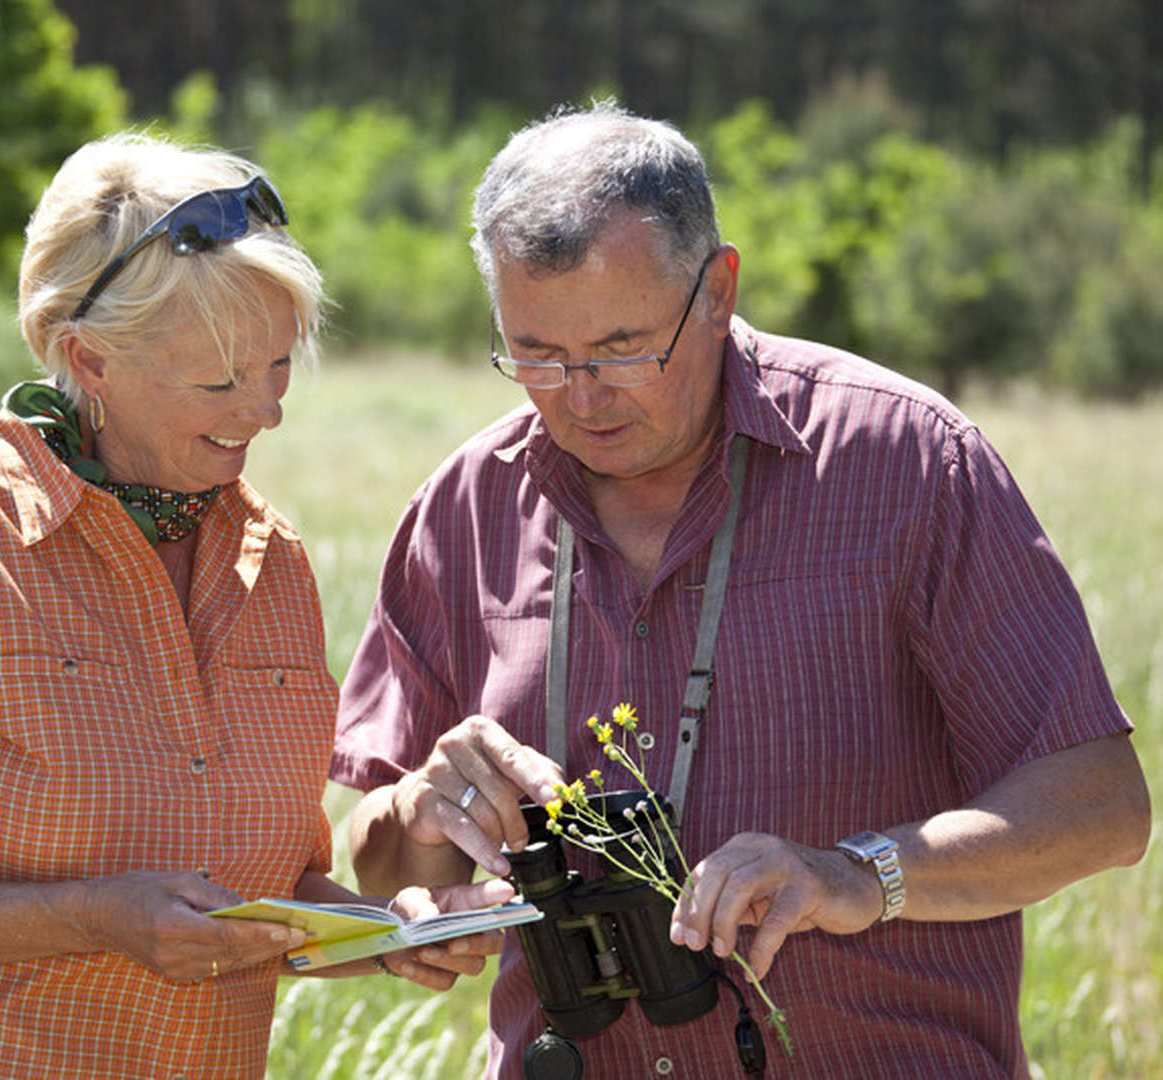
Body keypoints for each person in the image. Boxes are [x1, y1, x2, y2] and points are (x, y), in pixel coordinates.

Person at [331, 102, 1152, 1078]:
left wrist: (857, 875)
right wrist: (421, 821)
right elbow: (382, 869)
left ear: (718, 290)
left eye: (625, 349)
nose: (580, 397)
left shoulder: (908, 463)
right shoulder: (461, 507)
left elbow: (1102, 806)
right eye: (537, 355)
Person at [0, 132, 510, 1080]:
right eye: (220, 380)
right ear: (88, 361)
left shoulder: (273, 565)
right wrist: (91, 915)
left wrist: (385, 933)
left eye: (277, 366)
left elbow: (265, 897)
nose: (265, 411)